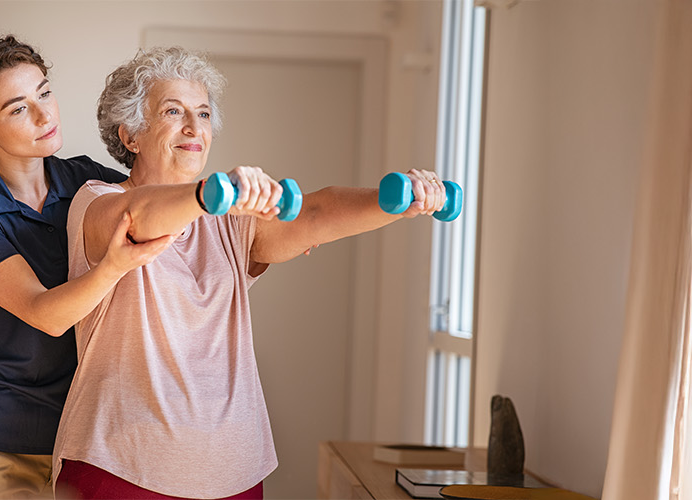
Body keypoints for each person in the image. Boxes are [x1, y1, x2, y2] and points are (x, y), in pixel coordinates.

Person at [52, 46, 449, 500]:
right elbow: (139, 218)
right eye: (172, 111)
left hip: (233, 471)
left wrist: (396, 201)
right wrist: (211, 193)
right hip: (121, 465)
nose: (193, 127)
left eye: (203, 114)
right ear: (131, 135)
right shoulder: (97, 200)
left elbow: (316, 213)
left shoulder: (228, 218)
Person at [0, 36, 173, 499]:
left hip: (79, 439)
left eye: (45, 93)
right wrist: (113, 265)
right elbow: (46, 314)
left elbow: (157, 211)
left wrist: (251, 238)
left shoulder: (86, 180)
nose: (44, 115)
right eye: (18, 109)